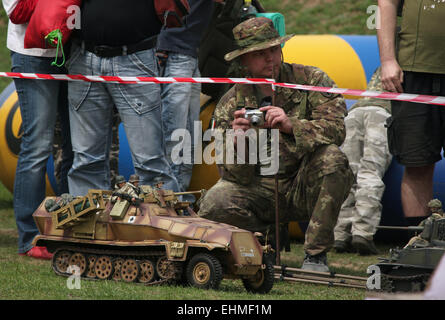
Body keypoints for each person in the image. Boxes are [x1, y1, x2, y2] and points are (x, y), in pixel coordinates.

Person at [197, 17, 353, 272]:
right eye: (260, 54)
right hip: (259, 190)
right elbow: (231, 176)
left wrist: (292, 125)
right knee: (215, 201)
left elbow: (337, 129)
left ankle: (315, 256)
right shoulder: (230, 102)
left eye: (273, 49)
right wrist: (238, 143)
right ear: (244, 60)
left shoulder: (310, 80)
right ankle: (262, 243)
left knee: (333, 158)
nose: (270, 58)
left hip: (304, 182)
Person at [66, 0, 180, 197]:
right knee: (86, 161)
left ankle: (161, 225)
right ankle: (88, 226)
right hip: (83, 57)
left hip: (135, 56)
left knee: (150, 162)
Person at [2, 0, 69, 260]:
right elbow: (18, 13)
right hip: (32, 57)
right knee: (37, 147)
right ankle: (30, 237)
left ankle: (70, 230)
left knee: (74, 147)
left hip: (74, 54)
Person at [377, 0, 445, 222]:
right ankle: (419, 244)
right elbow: (386, 3)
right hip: (412, 72)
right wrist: (388, 59)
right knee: (416, 162)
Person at [157, 0, 215, 202]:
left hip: (186, 53)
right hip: (174, 52)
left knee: (187, 134)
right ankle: (166, 202)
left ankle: (179, 200)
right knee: (175, 135)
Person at [333, 67, 392, 255]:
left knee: (348, 174)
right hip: (382, 113)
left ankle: (340, 234)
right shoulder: (412, 62)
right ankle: (363, 233)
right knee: (371, 172)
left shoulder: (385, 63)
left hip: (356, 112)